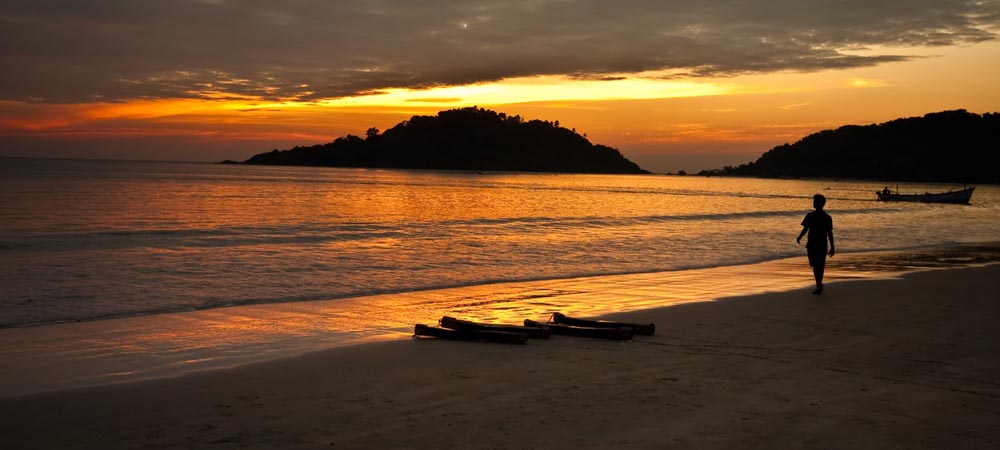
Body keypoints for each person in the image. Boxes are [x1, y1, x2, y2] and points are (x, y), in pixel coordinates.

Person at [797, 194, 835, 295]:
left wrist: (833, 247)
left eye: (815, 202)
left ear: (820, 204)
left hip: (820, 244)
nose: (813, 203)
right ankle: (819, 284)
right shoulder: (811, 216)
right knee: (814, 264)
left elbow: (829, 232)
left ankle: (818, 285)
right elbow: (805, 228)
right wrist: (800, 237)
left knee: (819, 265)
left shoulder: (827, 217)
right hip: (813, 244)